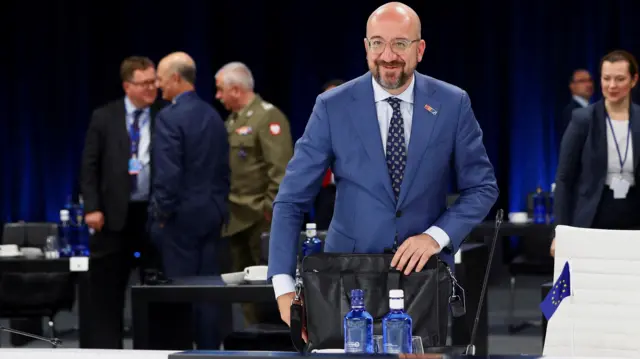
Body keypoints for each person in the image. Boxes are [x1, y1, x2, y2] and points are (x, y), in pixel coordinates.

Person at [267, 1, 499, 327]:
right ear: (366, 47)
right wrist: (283, 286)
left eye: (400, 44)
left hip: (423, 278)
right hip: (345, 281)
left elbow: (482, 187)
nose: (388, 55)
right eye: (378, 42)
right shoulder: (332, 107)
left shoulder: (452, 103)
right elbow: (291, 199)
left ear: (420, 49)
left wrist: (435, 236)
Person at [80, 56, 164, 348]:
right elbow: (89, 166)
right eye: (145, 83)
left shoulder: (163, 114)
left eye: (155, 81)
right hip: (112, 215)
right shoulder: (104, 117)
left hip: (152, 214)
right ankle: (107, 349)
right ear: (128, 86)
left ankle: (153, 349)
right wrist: (92, 207)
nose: (152, 88)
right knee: (106, 291)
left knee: (154, 287)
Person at [150, 51, 230, 348]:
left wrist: (160, 215)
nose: (158, 86)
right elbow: (224, 170)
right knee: (208, 293)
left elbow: (167, 176)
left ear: (175, 78)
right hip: (212, 215)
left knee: (180, 294)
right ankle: (210, 353)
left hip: (180, 219)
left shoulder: (169, 118)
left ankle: (182, 352)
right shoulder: (213, 115)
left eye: (159, 79)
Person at [214, 61, 293, 324]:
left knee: (266, 287)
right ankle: (250, 340)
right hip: (236, 217)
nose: (217, 96)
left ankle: (272, 343)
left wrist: (271, 209)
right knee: (242, 292)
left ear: (235, 90)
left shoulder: (268, 117)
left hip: (260, 217)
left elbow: (280, 169)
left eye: (220, 90)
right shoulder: (233, 120)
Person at [552, 50, 640, 257]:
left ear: (633, 80)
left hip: (634, 215)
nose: (612, 86)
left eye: (620, 79)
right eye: (606, 78)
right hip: (593, 215)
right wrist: (560, 231)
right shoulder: (583, 119)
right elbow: (564, 178)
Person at [558, 69, 594, 146]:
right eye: (582, 81)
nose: (588, 84)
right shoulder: (571, 112)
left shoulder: (593, 109)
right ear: (572, 86)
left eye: (590, 80)